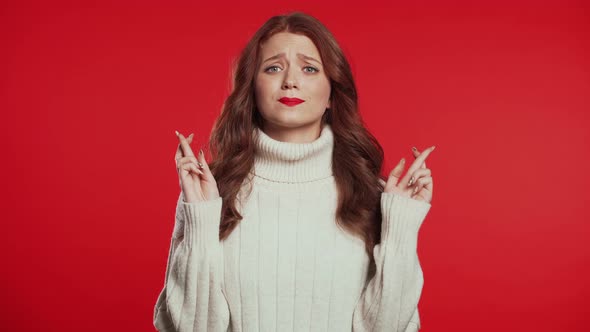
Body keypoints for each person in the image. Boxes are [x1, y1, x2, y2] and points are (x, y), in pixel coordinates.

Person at [153, 11, 435, 332]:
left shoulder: (370, 195)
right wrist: (200, 217)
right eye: (273, 67)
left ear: (332, 93)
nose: (290, 80)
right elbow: (187, 328)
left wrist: (401, 224)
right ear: (252, 90)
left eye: (309, 68)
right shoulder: (211, 195)